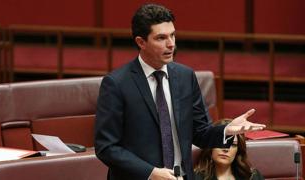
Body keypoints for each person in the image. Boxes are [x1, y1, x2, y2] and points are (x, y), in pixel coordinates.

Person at [94, 3, 265, 180]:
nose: (171, 44)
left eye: (173, 35)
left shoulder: (185, 77)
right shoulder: (117, 83)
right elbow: (106, 147)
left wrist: (226, 130)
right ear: (141, 42)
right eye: (161, 38)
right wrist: (151, 173)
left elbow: (200, 133)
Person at [194, 119, 264, 180]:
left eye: (233, 145)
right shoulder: (194, 177)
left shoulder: (252, 176)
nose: (226, 149)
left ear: (238, 151)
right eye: (220, 142)